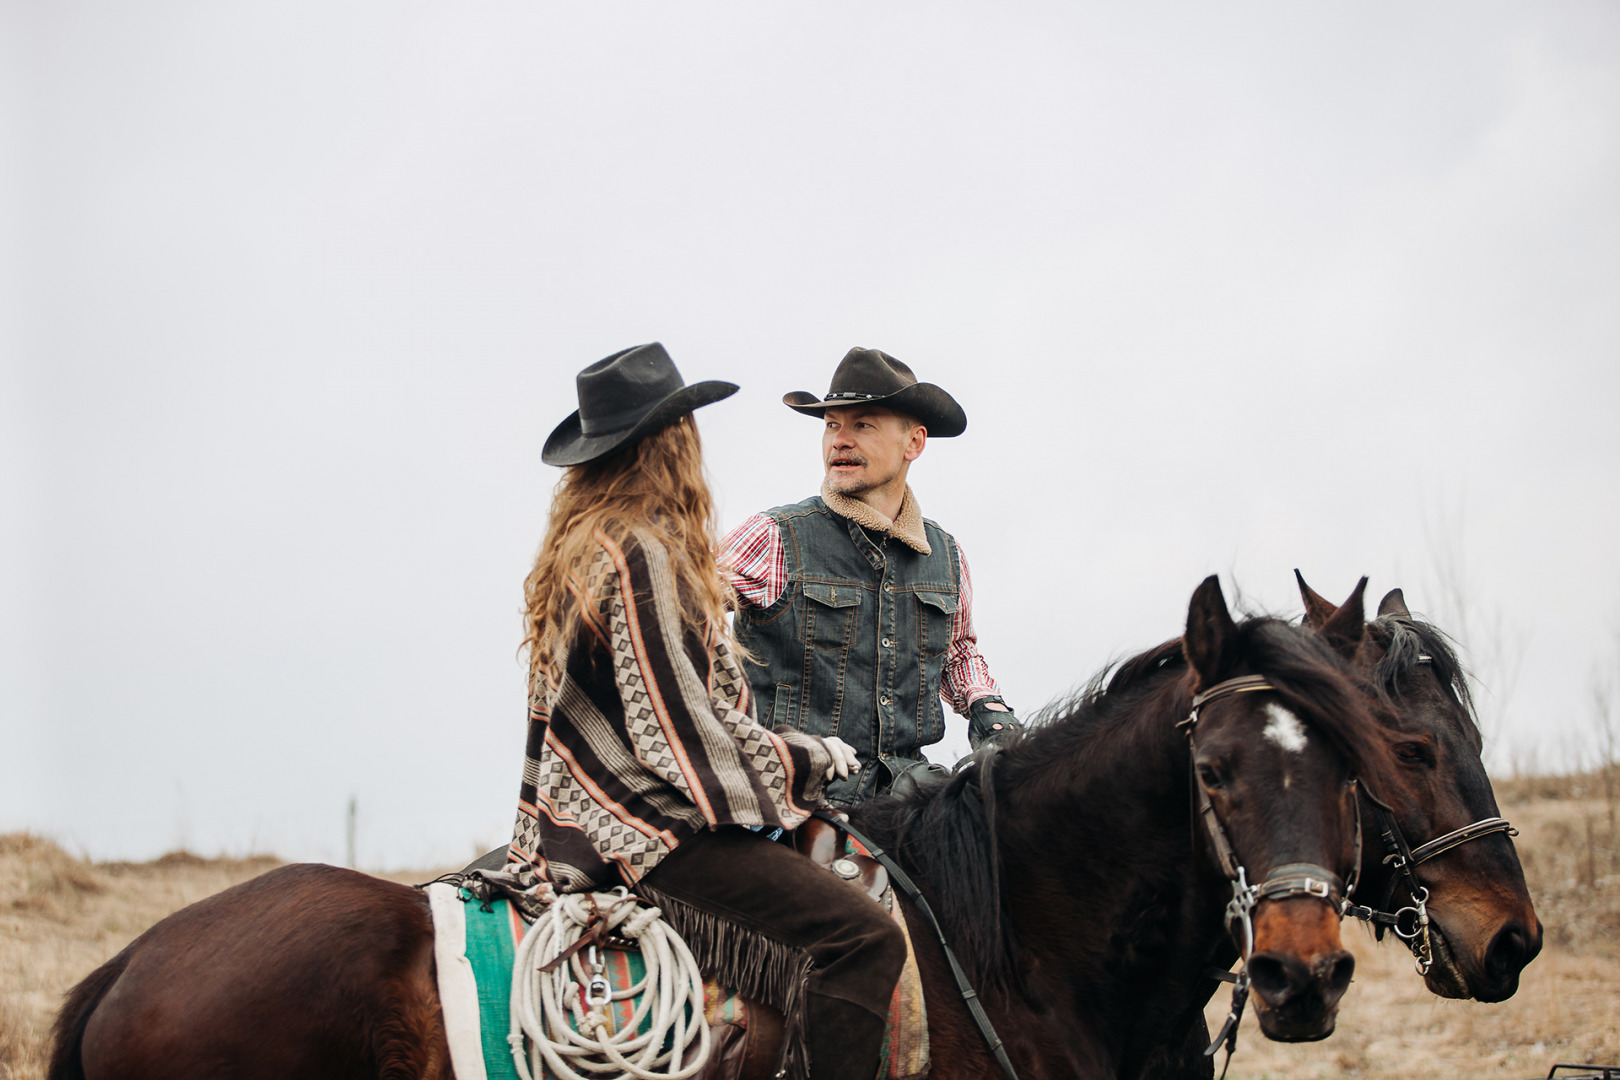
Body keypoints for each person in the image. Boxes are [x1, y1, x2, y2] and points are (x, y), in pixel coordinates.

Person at [504, 343, 904, 1080]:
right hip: (648, 833)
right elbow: (677, 734)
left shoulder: (578, 546)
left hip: (574, 822)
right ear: (669, 442)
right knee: (864, 940)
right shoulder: (640, 553)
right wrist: (804, 758)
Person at [723, 347, 1020, 805]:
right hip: (787, 799)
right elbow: (674, 608)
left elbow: (958, 653)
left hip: (908, 792)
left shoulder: (947, 555)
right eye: (831, 425)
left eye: (862, 424)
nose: (840, 440)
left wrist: (988, 708)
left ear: (914, 443)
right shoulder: (774, 536)